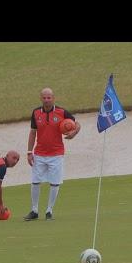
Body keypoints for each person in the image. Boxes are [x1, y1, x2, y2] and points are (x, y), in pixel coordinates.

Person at [24, 87, 80, 221]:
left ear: (53, 98)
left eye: (49, 97)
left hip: (56, 154)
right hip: (39, 153)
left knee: (55, 183)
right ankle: (34, 210)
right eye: (44, 97)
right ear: (41, 98)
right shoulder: (36, 113)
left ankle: (49, 211)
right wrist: (29, 152)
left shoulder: (61, 112)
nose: (47, 100)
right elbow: (32, 132)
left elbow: (77, 123)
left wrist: (74, 132)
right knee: (35, 181)